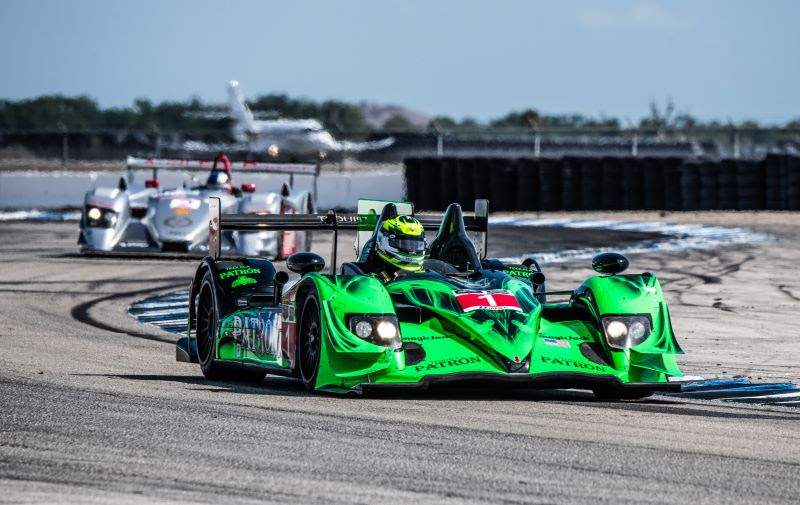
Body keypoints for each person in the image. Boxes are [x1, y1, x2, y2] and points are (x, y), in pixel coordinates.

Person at [368, 215, 426, 281]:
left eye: (415, 245)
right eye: (404, 244)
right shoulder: (374, 278)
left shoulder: (424, 273)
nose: (411, 250)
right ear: (383, 241)